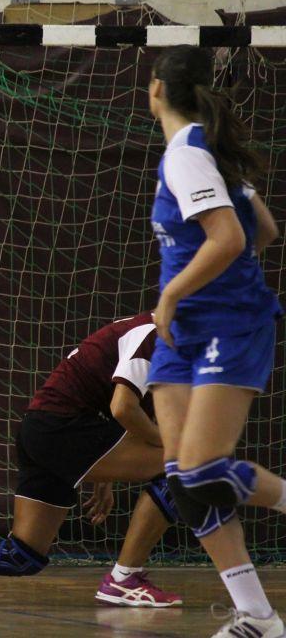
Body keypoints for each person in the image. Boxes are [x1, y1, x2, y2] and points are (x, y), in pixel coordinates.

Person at [0, 313, 183, 607]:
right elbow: (122, 408)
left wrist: (106, 475)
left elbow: (115, 409)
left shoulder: (158, 337)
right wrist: (172, 443)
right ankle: (124, 579)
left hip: (44, 431)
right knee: (183, 466)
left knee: (21, 556)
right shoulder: (152, 333)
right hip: (64, 429)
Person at [146, 44, 286, 638]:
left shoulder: (187, 156)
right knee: (185, 483)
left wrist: (175, 293)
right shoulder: (208, 151)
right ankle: (257, 616)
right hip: (188, 332)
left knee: (203, 471)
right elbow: (266, 230)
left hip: (226, 325)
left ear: (155, 90)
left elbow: (229, 239)